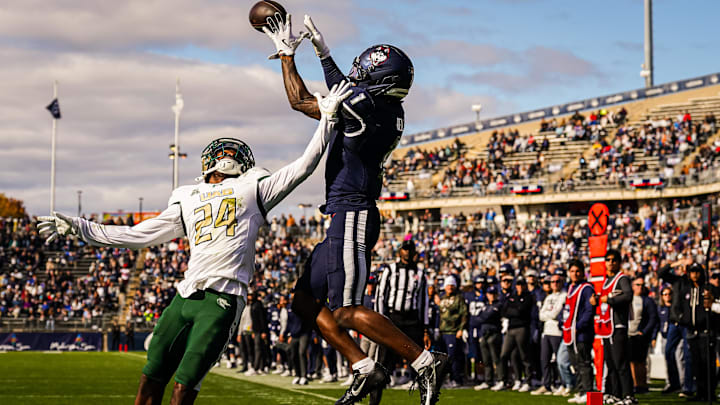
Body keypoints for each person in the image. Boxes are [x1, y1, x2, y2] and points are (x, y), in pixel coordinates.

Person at [36, 83, 352, 405]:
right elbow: (139, 235)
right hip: (184, 295)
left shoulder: (251, 189)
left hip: (223, 299)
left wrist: (327, 121)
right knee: (150, 378)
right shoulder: (190, 195)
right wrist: (82, 227)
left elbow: (302, 168)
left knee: (184, 387)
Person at [263, 13, 448, 405]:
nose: (358, 75)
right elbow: (342, 90)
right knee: (304, 302)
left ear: (380, 80)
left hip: (354, 213)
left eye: (366, 71)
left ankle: (426, 360)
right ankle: (365, 368)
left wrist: (289, 55)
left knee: (346, 311)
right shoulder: (383, 108)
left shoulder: (369, 106)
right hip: (345, 214)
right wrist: (322, 52)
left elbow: (301, 100)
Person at [371, 239, 429, 404]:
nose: (407, 252)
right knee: (381, 366)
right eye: (405, 249)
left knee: (422, 365)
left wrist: (425, 329)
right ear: (399, 252)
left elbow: (424, 301)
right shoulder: (390, 270)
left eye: (410, 250)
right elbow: (380, 296)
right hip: (393, 320)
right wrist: (380, 322)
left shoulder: (420, 273)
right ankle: (374, 402)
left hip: (412, 321)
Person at [590, 249, 635, 405]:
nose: (610, 263)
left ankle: (629, 396)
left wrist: (608, 299)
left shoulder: (621, 279)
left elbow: (628, 296)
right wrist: (596, 300)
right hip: (606, 327)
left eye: (613, 260)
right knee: (611, 363)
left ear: (618, 262)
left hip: (617, 326)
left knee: (621, 362)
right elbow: (603, 301)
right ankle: (616, 394)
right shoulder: (606, 281)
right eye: (608, 260)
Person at [674, 263, 717, 401]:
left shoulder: (710, 289)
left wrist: (709, 318)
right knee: (696, 364)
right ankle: (700, 392)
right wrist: (682, 318)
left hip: (706, 331)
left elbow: (715, 307)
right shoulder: (685, 291)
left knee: (708, 364)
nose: (695, 275)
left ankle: (709, 393)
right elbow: (678, 307)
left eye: (697, 272)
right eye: (692, 272)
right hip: (691, 332)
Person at [562, 260, 594, 404]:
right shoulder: (570, 287)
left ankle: (588, 392)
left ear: (582, 272)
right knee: (576, 364)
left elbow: (589, 310)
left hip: (581, 333)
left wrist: (579, 325)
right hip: (570, 333)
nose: (575, 274)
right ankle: (581, 391)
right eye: (572, 271)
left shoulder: (587, 288)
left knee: (584, 362)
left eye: (577, 271)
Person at [495, 276, 534, 392]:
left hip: (522, 328)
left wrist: (514, 311)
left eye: (522, 285)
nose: (520, 287)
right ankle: (503, 380)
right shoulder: (512, 296)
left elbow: (522, 311)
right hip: (511, 328)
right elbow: (505, 311)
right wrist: (515, 311)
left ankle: (527, 380)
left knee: (523, 355)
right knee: (504, 354)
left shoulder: (528, 297)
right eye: (518, 285)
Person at [532, 272, 566, 396]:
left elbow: (555, 313)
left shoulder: (564, 296)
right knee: (544, 359)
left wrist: (548, 315)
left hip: (557, 332)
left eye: (557, 281)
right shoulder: (549, 297)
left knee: (559, 360)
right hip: (547, 331)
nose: (555, 284)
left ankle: (563, 384)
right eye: (552, 282)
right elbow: (541, 315)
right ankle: (546, 384)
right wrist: (548, 315)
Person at [434, 276, 467, 388]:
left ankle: (456, 379)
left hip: (453, 331)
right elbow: (440, 315)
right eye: (448, 285)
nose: (450, 287)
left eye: (452, 285)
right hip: (442, 332)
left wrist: (461, 329)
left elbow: (464, 314)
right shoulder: (442, 299)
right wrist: (437, 329)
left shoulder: (459, 298)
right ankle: (444, 378)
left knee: (453, 357)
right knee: (442, 358)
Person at [628, 277, 658, 394]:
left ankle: (642, 385)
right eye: (637, 284)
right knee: (631, 361)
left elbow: (653, 318)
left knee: (640, 361)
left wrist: (644, 332)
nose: (640, 287)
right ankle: (634, 384)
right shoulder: (628, 299)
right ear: (633, 286)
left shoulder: (647, 300)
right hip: (629, 334)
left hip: (640, 335)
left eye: (642, 285)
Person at [473, 285, 502, 391]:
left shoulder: (498, 305)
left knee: (496, 358)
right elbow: (477, 318)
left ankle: (500, 379)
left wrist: (482, 318)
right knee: (486, 359)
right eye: (490, 294)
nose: (492, 296)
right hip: (484, 333)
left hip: (494, 333)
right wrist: (481, 318)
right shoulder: (485, 305)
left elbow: (486, 317)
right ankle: (488, 380)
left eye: (494, 294)